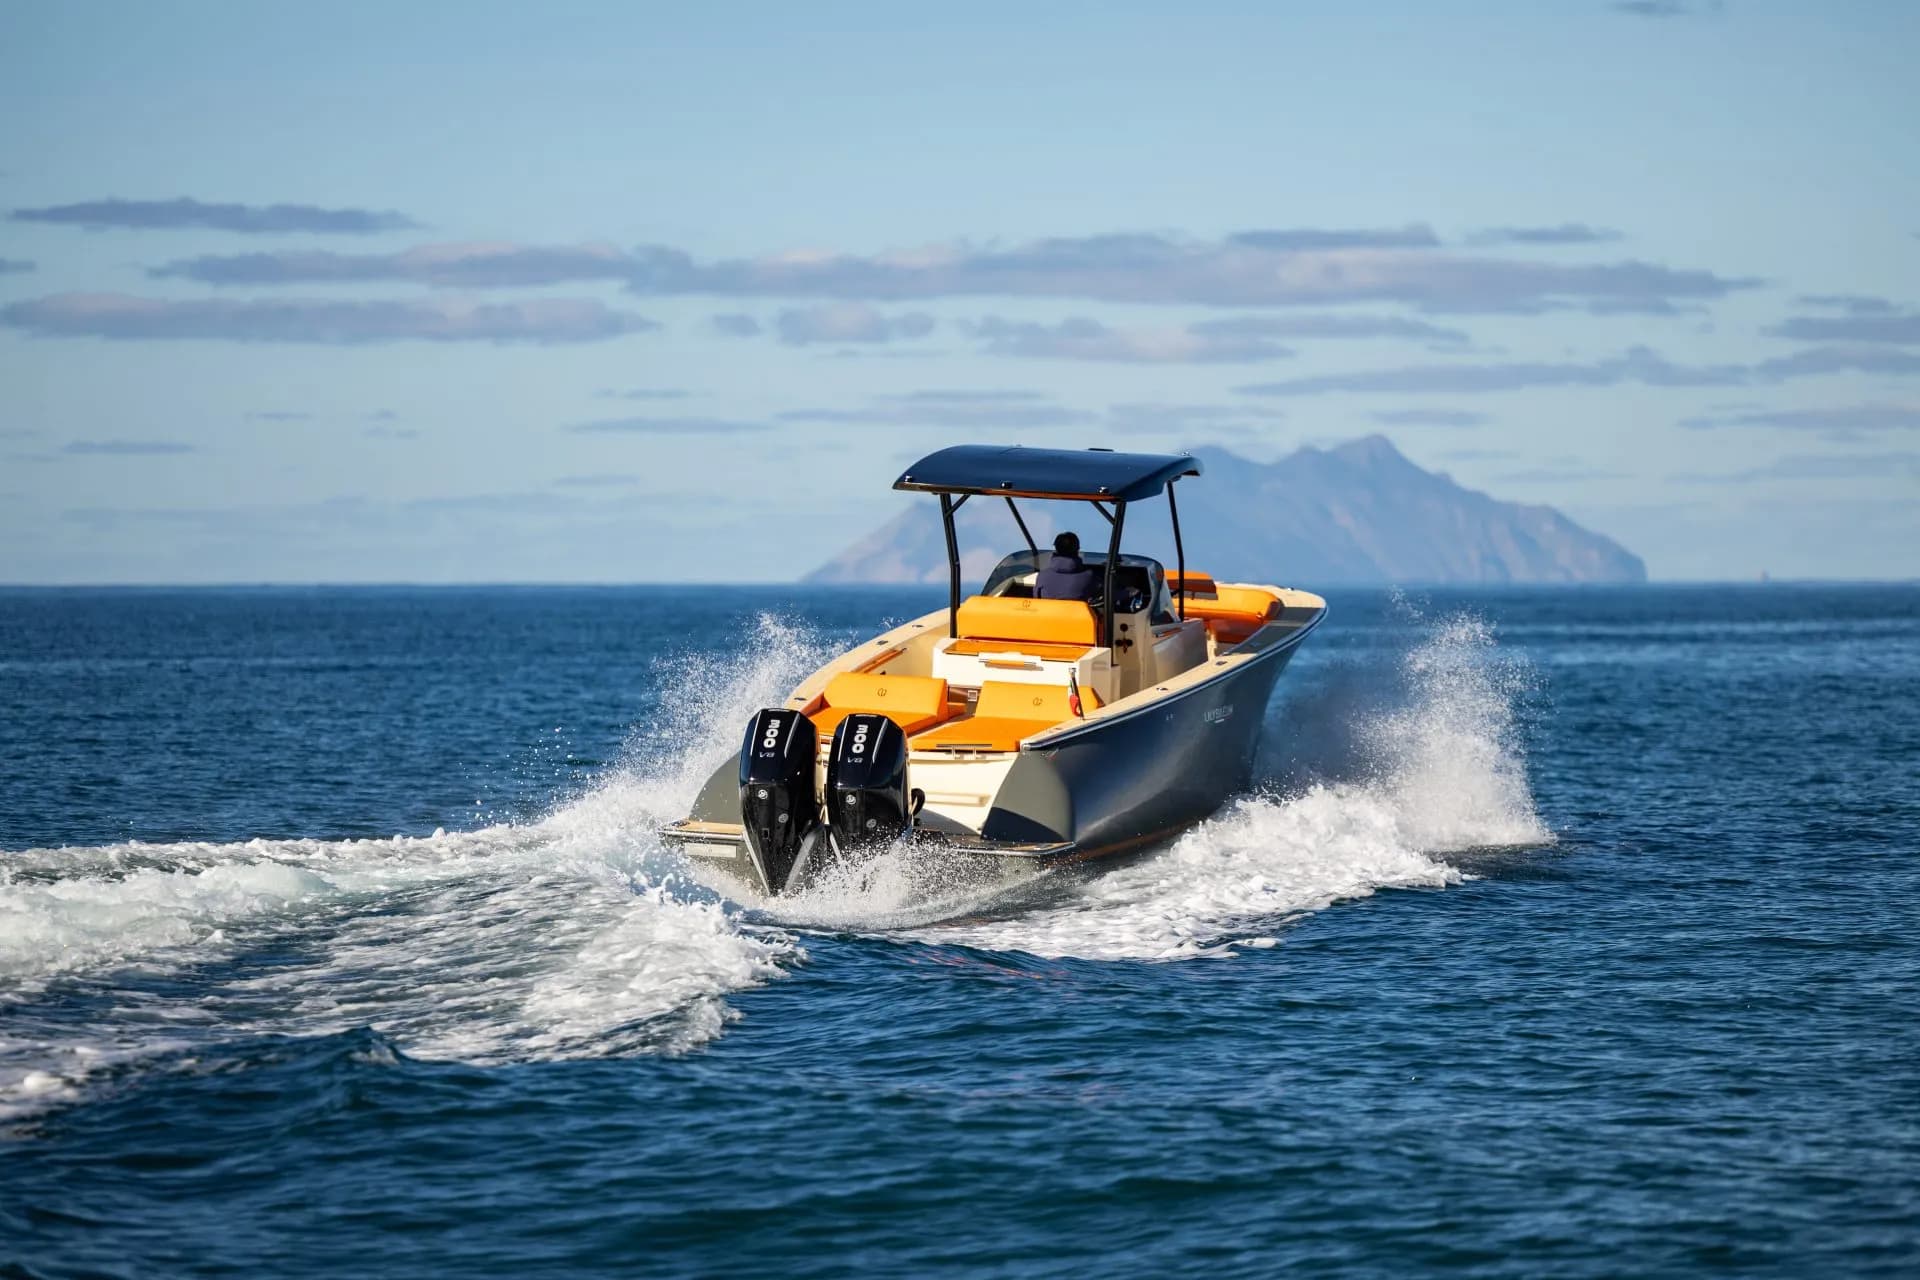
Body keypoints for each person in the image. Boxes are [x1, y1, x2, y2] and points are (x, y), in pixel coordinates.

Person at [1034, 531, 1095, 601]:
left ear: (1056, 548)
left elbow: (1036, 599)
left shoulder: (1042, 576)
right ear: (1077, 549)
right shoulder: (1089, 577)